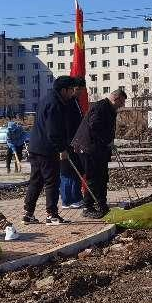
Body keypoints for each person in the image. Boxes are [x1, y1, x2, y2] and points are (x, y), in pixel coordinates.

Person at [23, 75, 77, 225]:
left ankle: (28, 214)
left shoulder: (46, 99)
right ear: (64, 90)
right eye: (71, 89)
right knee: (52, 182)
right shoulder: (55, 104)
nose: (72, 92)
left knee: (36, 181)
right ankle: (52, 215)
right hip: (47, 149)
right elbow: (53, 131)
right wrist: (61, 149)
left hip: (35, 147)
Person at [72, 89, 127, 218]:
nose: (122, 105)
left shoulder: (109, 108)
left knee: (102, 177)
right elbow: (94, 127)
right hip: (88, 148)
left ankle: (102, 204)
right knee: (93, 177)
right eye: (122, 102)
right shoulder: (101, 107)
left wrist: (109, 142)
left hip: (99, 148)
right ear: (116, 99)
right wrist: (107, 140)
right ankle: (88, 207)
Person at [59, 78, 86, 209]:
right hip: (69, 142)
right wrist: (72, 143)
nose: (80, 92)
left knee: (75, 170)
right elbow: (68, 125)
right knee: (69, 170)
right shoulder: (68, 103)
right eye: (77, 89)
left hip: (75, 141)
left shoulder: (75, 101)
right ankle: (71, 199)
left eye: (82, 90)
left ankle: (73, 197)